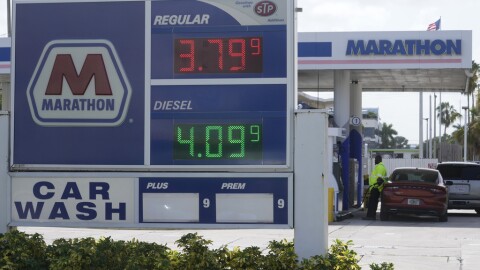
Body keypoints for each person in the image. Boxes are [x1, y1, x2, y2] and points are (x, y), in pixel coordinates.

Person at [363, 155, 387, 220]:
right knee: (372, 202)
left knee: (372, 203)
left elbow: (379, 179)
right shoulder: (380, 167)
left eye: (375, 159)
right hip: (375, 187)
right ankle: (370, 215)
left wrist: (374, 186)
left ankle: (371, 216)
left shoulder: (380, 167)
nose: (374, 161)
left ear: (378, 159)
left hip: (375, 188)